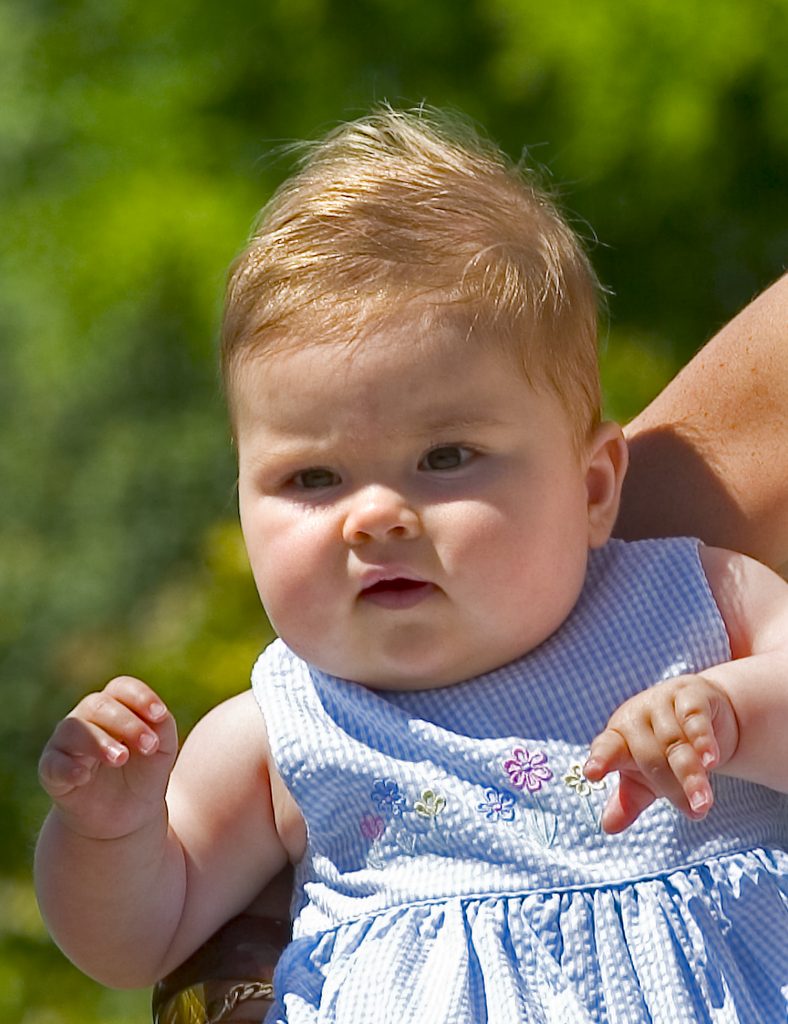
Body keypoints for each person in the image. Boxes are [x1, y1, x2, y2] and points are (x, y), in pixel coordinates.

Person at [35, 108, 788, 1023]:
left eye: (445, 459)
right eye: (312, 477)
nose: (377, 516)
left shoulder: (693, 604)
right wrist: (108, 829)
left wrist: (735, 713)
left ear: (594, 488)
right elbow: (137, 940)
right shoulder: (286, 728)